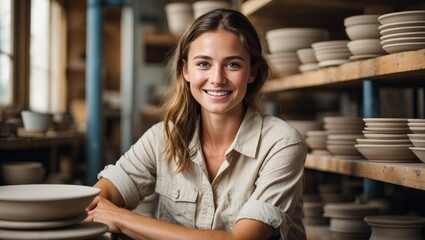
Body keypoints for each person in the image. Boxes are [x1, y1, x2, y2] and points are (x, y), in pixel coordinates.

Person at [85, 8, 307, 240]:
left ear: (252, 71)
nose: (217, 78)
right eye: (203, 64)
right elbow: (97, 201)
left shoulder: (282, 143)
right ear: (185, 70)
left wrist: (121, 219)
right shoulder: (162, 137)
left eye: (232, 65)